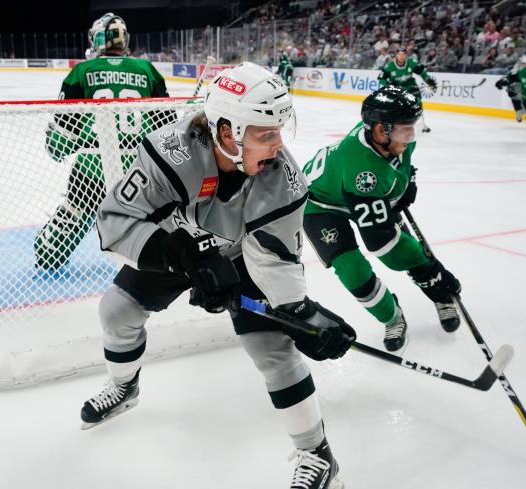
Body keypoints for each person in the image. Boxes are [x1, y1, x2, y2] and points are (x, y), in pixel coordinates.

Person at [81, 62, 355, 489]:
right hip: (178, 244)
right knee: (116, 311)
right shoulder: (170, 154)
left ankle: (318, 455)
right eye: (266, 133)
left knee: (272, 348)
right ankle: (124, 386)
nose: (278, 145)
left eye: (280, 131)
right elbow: (116, 219)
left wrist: (299, 314)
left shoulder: (282, 180)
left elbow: (275, 257)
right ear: (228, 132)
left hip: (242, 254)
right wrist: (177, 256)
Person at [301, 86, 462, 352]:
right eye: (404, 129)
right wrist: (434, 273)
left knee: (405, 244)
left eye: (413, 127)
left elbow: (399, 164)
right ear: (379, 131)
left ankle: (439, 295)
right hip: (320, 207)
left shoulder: (393, 133)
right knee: (354, 269)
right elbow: (382, 245)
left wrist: (405, 182)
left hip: (356, 192)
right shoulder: (362, 170)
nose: (411, 136)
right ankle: (392, 316)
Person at [35, 12, 170, 272]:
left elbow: (62, 137)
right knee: (151, 218)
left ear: (98, 39)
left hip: (91, 166)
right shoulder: (147, 70)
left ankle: (48, 256)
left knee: (73, 213)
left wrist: (59, 147)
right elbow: (166, 127)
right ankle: (157, 261)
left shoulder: (82, 72)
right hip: (138, 168)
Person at [379, 47, 437, 133]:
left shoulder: (411, 63)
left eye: (403, 54)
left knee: (417, 103)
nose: (401, 56)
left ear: (406, 55)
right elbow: (381, 79)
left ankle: (421, 125)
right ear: (396, 56)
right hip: (396, 89)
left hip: (411, 87)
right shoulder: (389, 66)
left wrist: (428, 81)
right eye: (399, 54)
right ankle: (392, 124)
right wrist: (388, 86)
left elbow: (422, 72)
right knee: (393, 106)